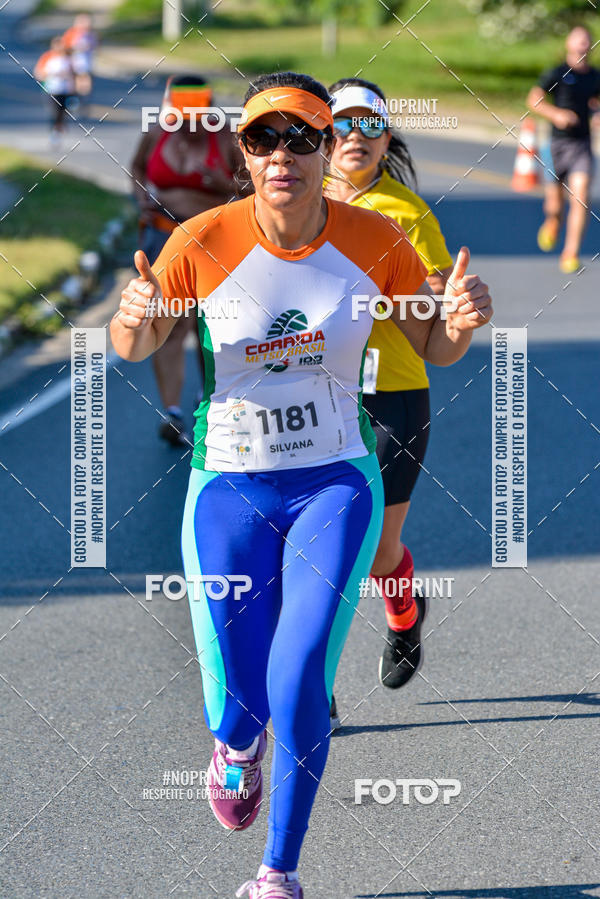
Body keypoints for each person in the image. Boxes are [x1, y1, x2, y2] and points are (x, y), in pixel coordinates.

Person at [110, 71, 492, 899]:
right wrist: (133, 312)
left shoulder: (374, 238)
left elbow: (436, 347)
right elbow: (134, 346)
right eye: (262, 138)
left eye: (301, 137)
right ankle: (234, 745)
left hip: (334, 485)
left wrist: (458, 321)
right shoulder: (202, 240)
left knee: (301, 674)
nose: (282, 154)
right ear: (242, 153)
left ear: (324, 151)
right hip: (228, 490)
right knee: (243, 702)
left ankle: (277, 872)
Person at [324, 77, 454, 705]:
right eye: (343, 123)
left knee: (377, 555)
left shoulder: (408, 212)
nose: (355, 135)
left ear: (386, 137)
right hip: (312, 396)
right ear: (321, 133)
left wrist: (447, 303)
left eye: (369, 124)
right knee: (315, 554)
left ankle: (404, 617)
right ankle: (309, 685)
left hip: (394, 394)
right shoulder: (292, 198)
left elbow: (434, 304)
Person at [131, 74, 241, 445]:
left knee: (207, 325)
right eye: (183, 115)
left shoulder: (226, 137)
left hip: (212, 241)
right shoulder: (156, 132)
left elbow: (255, 188)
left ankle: (208, 403)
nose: (191, 123)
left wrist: (221, 184)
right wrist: (141, 196)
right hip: (163, 236)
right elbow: (137, 169)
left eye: (198, 114)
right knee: (169, 324)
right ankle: (173, 413)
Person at [527, 25, 600, 273]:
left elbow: (597, 102)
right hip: (556, 145)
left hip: (582, 146)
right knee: (555, 205)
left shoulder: (594, 76)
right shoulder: (557, 72)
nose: (582, 45)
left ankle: (571, 252)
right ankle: (552, 221)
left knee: (580, 198)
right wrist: (556, 114)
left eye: (586, 41)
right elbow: (534, 99)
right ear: (569, 43)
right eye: (578, 40)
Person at [34, 37, 76, 147]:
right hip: (52, 89)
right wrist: (50, 74)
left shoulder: (68, 58)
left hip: (66, 89)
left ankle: (60, 126)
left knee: (64, 111)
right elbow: (38, 73)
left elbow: (75, 73)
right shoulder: (47, 57)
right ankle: (55, 132)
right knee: (54, 111)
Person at [62, 13, 98, 101]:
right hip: (73, 63)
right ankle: (74, 100)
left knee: (86, 86)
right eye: (83, 22)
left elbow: (95, 47)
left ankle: (84, 100)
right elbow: (64, 48)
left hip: (87, 63)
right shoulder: (71, 33)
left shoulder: (91, 35)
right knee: (73, 86)